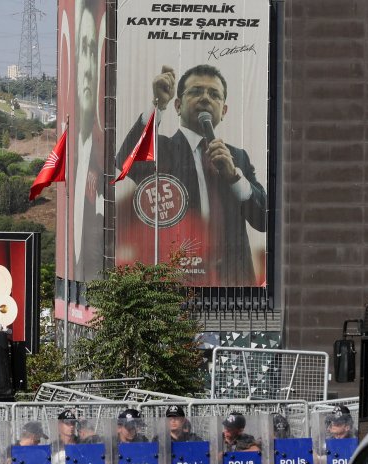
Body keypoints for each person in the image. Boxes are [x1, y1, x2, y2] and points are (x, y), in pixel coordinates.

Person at [116, 63, 267, 286]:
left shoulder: (238, 158)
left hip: (233, 286)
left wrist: (234, 177)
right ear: (177, 106)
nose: (205, 98)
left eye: (214, 94)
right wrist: (158, 105)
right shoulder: (163, 150)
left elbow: (264, 219)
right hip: (177, 283)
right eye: (196, 91)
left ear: (223, 111)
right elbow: (127, 159)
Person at [68, 0, 107, 283]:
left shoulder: (105, 157)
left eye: (93, 51)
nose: (88, 66)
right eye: (83, 50)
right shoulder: (73, 154)